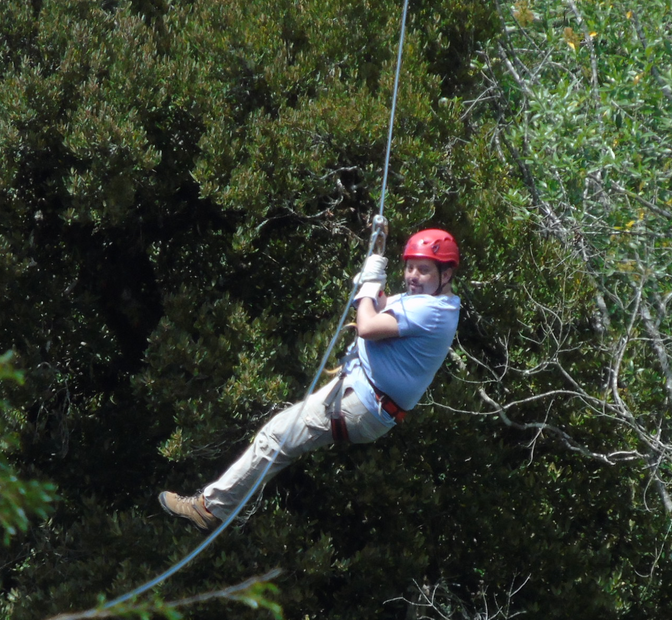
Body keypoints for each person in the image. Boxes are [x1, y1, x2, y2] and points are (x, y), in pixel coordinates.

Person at [159, 226, 461, 530]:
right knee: (277, 437)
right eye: (409, 267)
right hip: (362, 395)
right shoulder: (429, 301)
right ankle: (214, 506)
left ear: (446, 274)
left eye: (423, 270)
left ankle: (210, 509)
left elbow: (368, 326)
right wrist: (372, 284)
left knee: (275, 438)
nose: (412, 276)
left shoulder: (432, 311)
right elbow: (381, 307)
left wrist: (368, 289)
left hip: (362, 401)